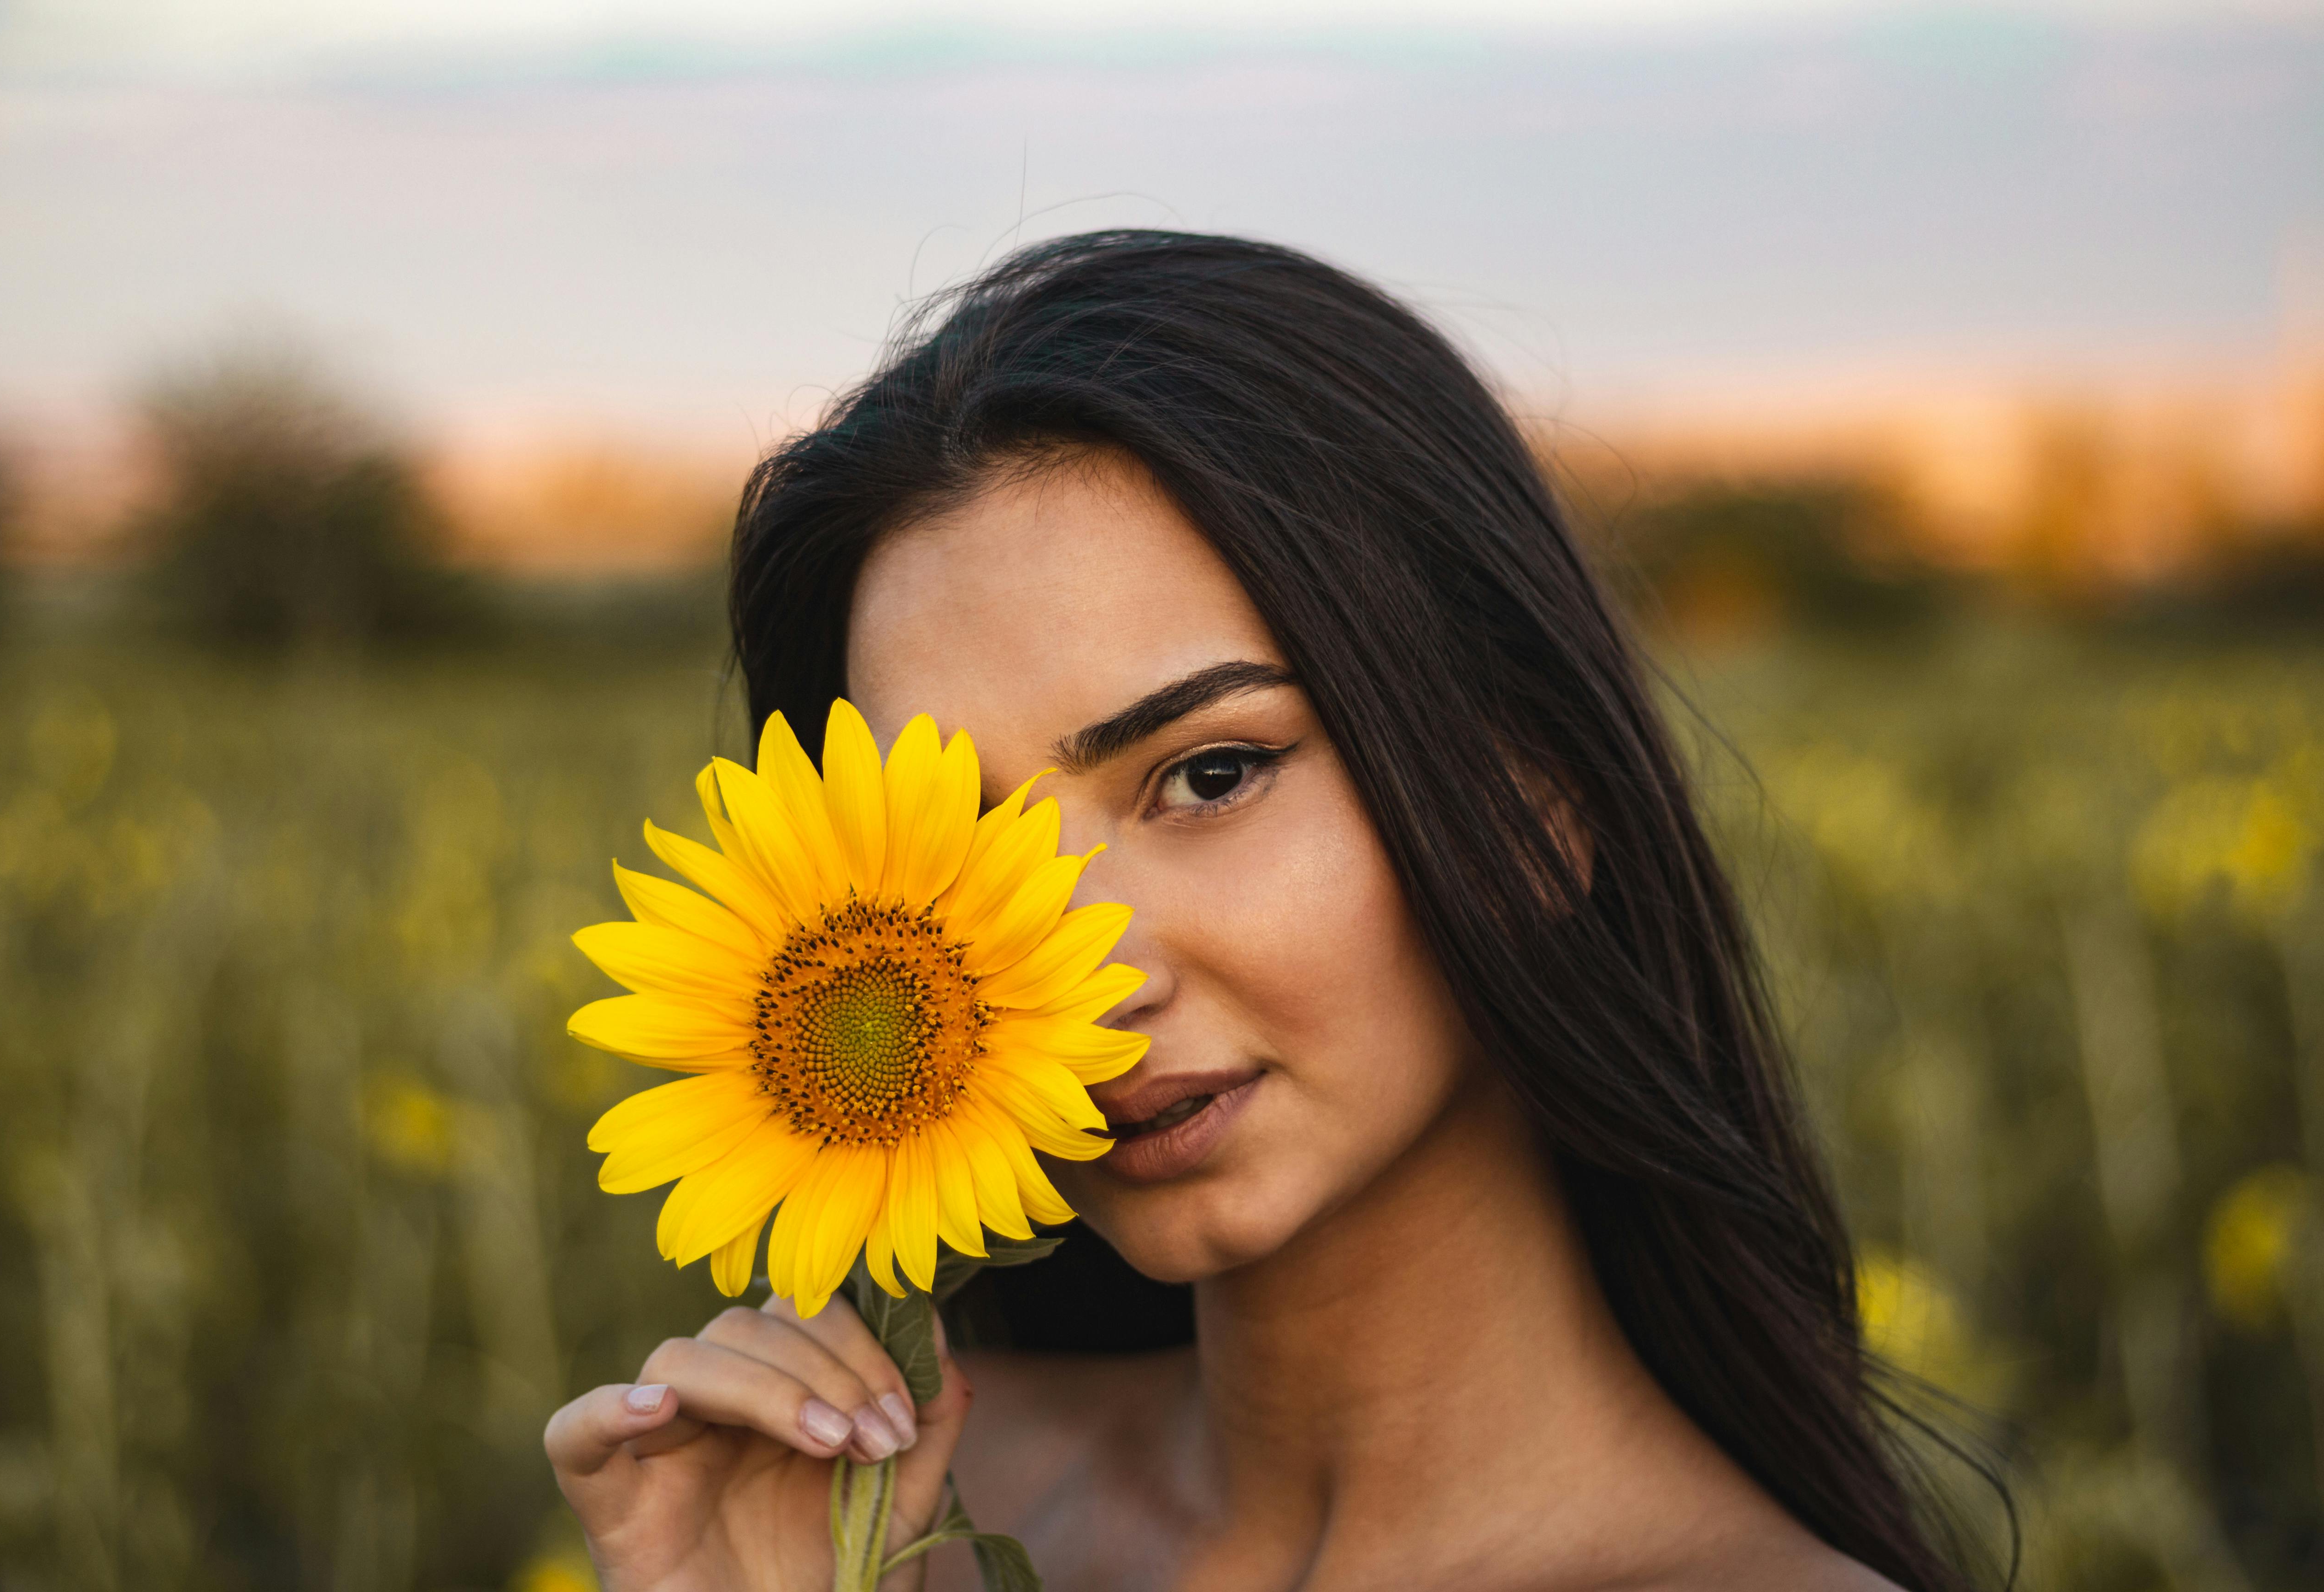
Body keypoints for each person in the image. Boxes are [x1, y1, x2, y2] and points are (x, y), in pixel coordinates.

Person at [542, 232, 1984, 1591]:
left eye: (1210, 775)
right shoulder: (893, 1514)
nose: (1074, 984)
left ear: (1541, 798)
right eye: (958, 860)